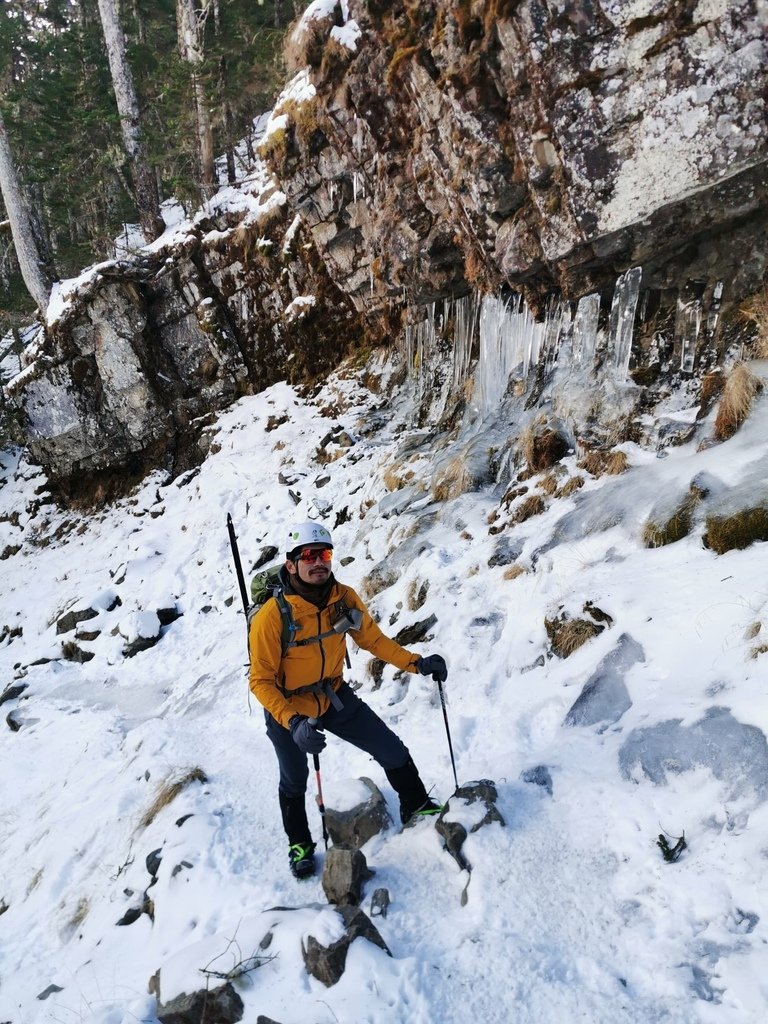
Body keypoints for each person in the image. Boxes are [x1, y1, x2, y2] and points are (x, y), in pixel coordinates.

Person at [249, 521, 448, 879]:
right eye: (308, 556)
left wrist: (416, 663)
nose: (318, 562)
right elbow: (260, 680)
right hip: (288, 708)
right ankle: (300, 844)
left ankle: (415, 804)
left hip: (334, 695)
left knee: (391, 749)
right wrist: (293, 723)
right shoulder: (272, 617)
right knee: (294, 779)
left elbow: (373, 641)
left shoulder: (344, 598)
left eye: (323, 554)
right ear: (291, 564)